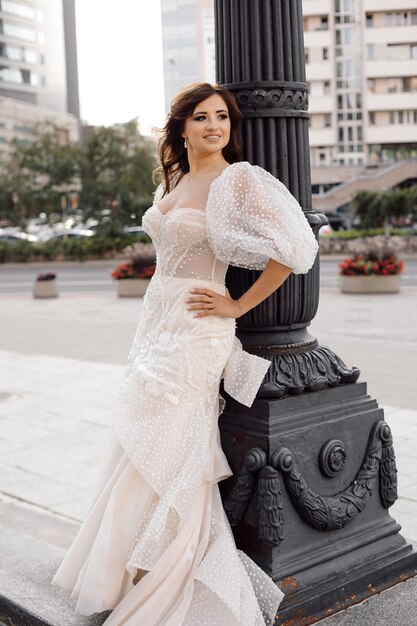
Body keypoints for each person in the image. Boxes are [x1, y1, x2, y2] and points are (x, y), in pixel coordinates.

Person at [52, 82, 319, 625]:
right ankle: (129, 569)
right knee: (138, 443)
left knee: (175, 446)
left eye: (222, 116)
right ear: (182, 127)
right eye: (201, 117)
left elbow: (296, 250)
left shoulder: (236, 180)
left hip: (198, 328)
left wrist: (237, 303)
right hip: (157, 323)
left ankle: (172, 575)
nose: (214, 126)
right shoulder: (177, 179)